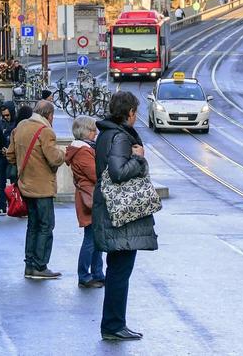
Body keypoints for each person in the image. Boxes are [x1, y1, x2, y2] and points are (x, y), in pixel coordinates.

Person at [94, 90, 156, 342]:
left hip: (109, 209)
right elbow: (118, 172)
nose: (136, 116)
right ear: (129, 112)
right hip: (120, 213)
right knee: (120, 271)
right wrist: (139, 159)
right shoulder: (120, 137)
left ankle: (113, 323)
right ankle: (113, 324)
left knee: (116, 269)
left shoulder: (105, 134)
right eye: (135, 111)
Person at [6, 99, 65, 279]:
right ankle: (40, 265)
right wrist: (64, 153)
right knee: (46, 225)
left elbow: (10, 155)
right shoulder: (45, 131)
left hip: (25, 186)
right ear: (49, 115)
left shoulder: (21, 127)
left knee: (32, 225)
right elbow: (54, 158)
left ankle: (29, 264)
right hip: (42, 188)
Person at [66, 115, 105, 289]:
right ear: (84, 131)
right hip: (89, 197)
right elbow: (96, 175)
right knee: (91, 238)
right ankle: (85, 275)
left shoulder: (86, 148)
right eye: (92, 129)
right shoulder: (83, 151)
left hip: (91, 196)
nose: (95, 132)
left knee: (96, 238)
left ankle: (97, 273)